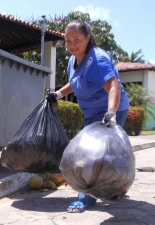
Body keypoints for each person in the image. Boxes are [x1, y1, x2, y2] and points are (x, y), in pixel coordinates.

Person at [47, 20, 129, 210]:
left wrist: (111, 114)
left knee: (96, 155)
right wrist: (59, 94)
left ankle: (87, 197)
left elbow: (113, 86)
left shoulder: (97, 60)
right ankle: (112, 187)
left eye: (77, 40)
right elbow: (75, 82)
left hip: (111, 108)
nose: (72, 45)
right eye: (68, 41)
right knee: (93, 152)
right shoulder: (72, 60)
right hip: (91, 111)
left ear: (88, 38)